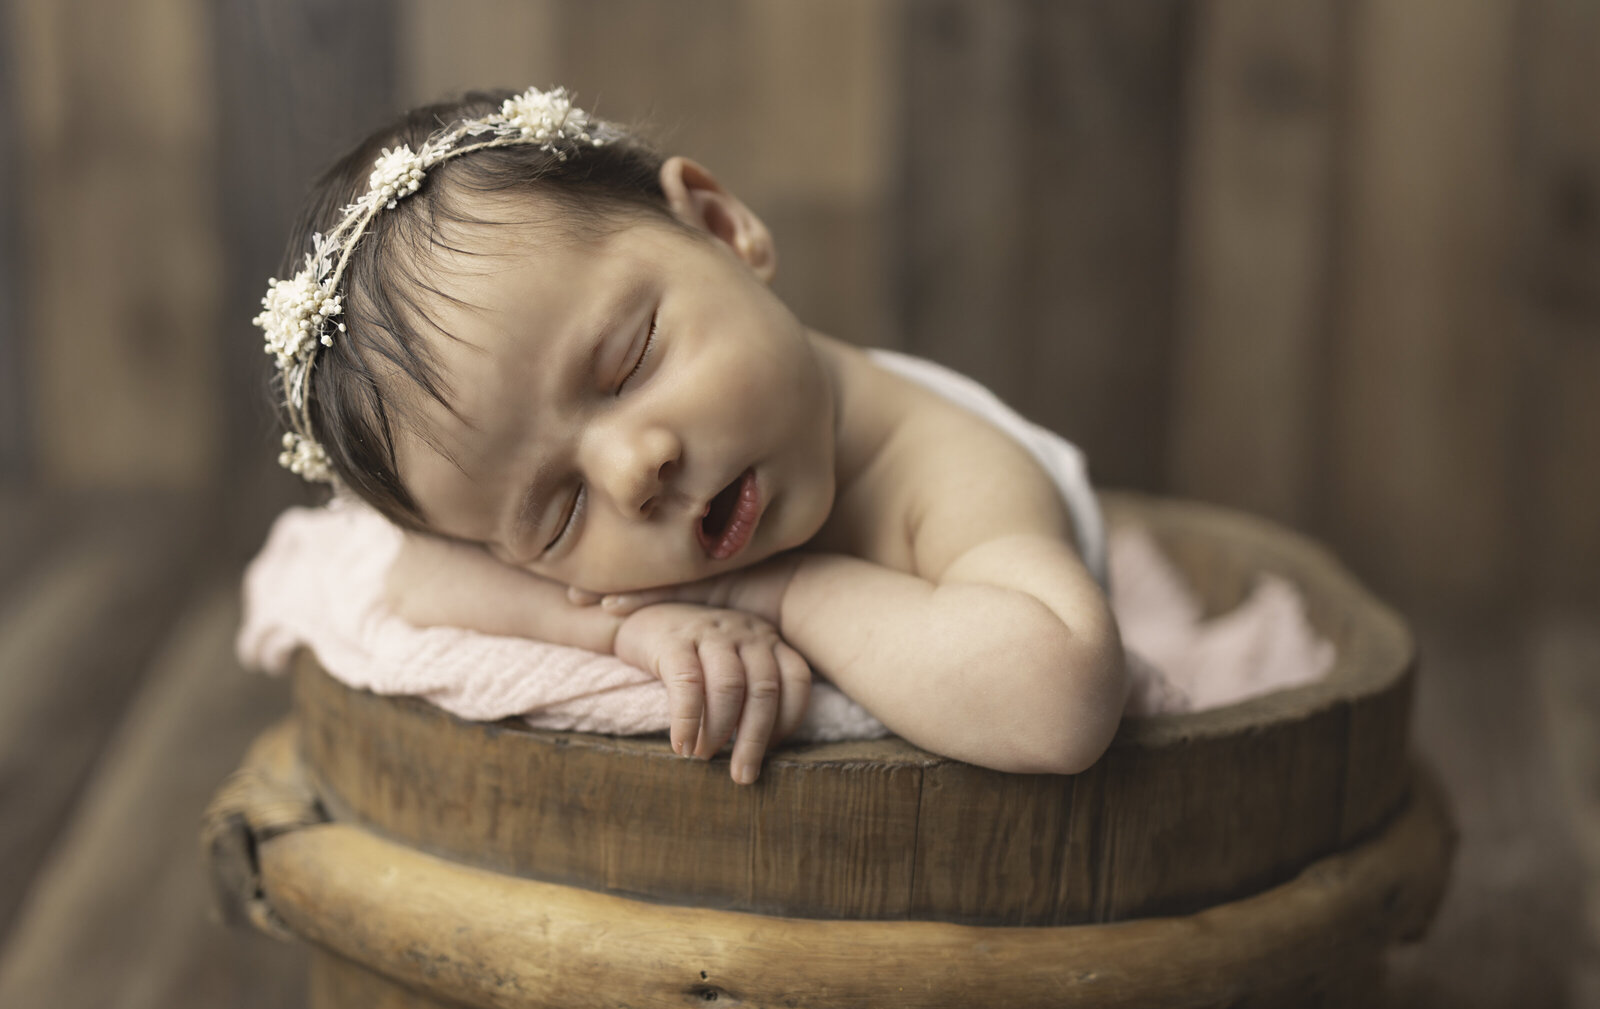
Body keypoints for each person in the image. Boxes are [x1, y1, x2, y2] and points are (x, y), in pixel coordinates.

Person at [255, 86, 1126, 785]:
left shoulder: (938, 459)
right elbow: (417, 573)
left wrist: (783, 594)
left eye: (629, 363)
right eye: (559, 515)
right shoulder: (559, 542)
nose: (635, 470)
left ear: (719, 227)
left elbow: (1059, 700)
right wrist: (625, 633)